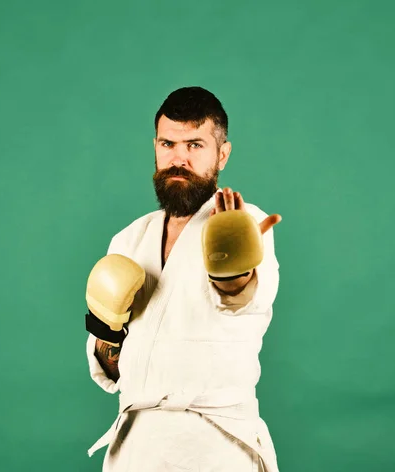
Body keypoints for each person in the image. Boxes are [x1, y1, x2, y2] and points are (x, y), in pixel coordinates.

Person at [84, 86, 282, 471]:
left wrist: (234, 275)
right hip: (135, 447)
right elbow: (113, 369)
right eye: (168, 144)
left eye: (194, 145)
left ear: (221, 154)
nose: (178, 159)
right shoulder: (128, 240)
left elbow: (243, 300)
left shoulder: (242, 226)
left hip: (216, 445)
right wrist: (107, 329)